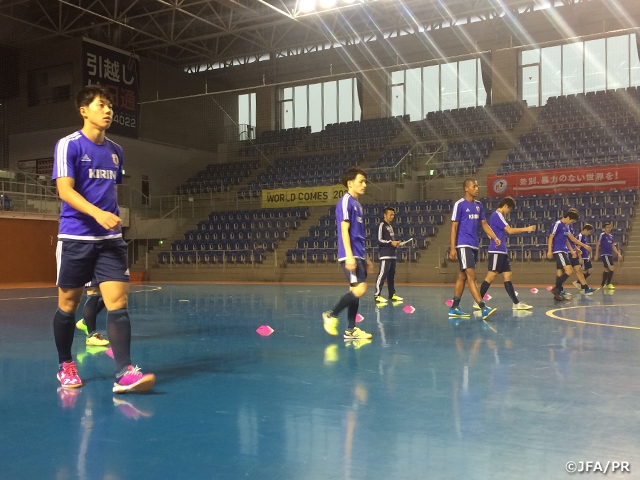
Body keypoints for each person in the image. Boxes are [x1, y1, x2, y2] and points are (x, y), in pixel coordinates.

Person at [52, 85, 155, 393]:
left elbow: (111, 189)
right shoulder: (68, 145)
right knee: (68, 304)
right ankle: (65, 364)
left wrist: (110, 216)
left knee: (118, 303)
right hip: (76, 237)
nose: (109, 110)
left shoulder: (116, 151)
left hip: (109, 240)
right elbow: (65, 191)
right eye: (102, 105)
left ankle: (124, 372)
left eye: (110, 106)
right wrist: (98, 214)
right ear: (84, 110)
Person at [322, 167, 373, 340]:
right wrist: (350, 255)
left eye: (365, 181)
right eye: (361, 181)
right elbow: (344, 231)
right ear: (350, 183)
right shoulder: (346, 201)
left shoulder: (358, 205)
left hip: (359, 253)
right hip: (349, 254)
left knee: (355, 291)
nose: (364, 184)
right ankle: (332, 315)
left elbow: (358, 234)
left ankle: (351, 331)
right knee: (361, 288)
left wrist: (366, 257)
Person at [448, 178, 500, 320]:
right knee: (472, 276)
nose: (477, 188)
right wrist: (453, 248)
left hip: (474, 245)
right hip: (463, 244)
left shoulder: (479, 205)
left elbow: (484, 224)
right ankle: (483, 307)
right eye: (474, 186)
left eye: (477, 186)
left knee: (463, 276)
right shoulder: (460, 205)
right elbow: (454, 227)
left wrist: (494, 237)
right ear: (466, 188)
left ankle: (454, 308)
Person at [476, 196, 535, 311]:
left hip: (502, 251)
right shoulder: (497, 215)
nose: (509, 212)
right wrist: (527, 228)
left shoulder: (497, 216)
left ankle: (516, 303)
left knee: (508, 276)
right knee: (491, 276)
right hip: (496, 250)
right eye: (509, 209)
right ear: (505, 206)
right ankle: (478, 300)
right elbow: (510, 230)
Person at [547, 209, 596, 301]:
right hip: (558, 250)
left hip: (565, 251)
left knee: (569, 271)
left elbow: (571, 239)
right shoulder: (558, 224)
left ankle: (557, 290)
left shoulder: (566, 226)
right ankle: (557, 289)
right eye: (571, 221)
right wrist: (549, 250)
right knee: (568, 271)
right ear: (568, 217)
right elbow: (551, 237)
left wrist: (580, 247)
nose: (571, 223)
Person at [373, 207, 403, 304]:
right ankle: (377, 295)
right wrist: (391, 242)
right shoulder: (382, 225)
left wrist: (396, 244)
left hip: (392, 255)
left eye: (393, 214)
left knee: (391, 276)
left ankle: (392, 294)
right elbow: (379, 240)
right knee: (382, 275)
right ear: (385, 215)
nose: (392, 216)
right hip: (385, 255)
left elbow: (391, 241)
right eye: (390, 214)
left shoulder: (390, 227)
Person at [595, 222, 623, 289]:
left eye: (610, 227)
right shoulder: (602, 235)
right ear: (604, 228)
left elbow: (613, 246)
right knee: (612, 268)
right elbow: (598, 244)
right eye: (607, 227)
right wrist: (596, 254)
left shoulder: (611, 236)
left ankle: (602, 284)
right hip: (605, 254)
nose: (609, 229)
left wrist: (618, 254)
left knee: (607, 269)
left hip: (610, 254)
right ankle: (608, 284)